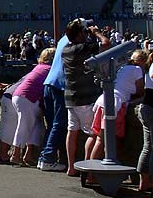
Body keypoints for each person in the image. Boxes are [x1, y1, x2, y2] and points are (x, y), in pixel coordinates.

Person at [61, 19, 109, 177]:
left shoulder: (65, 49)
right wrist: (96, 33)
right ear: (80, 33)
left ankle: (71, 166)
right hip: (85, 97)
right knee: (93, 134)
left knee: (72, 131)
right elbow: (106, 43)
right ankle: (88, 171)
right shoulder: (83, 48)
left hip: (70, 97)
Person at [87, 49, 145, 161]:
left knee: (95, 136)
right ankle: (92, 174)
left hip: (102, 100)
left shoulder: (121, 68)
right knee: (102, 140)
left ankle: (86, 169)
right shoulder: (137, 69)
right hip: (115, 104)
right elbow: (140, 89)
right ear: (142, 61)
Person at [10, 47, 54, 166]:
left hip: (20, 95)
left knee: (37, 126)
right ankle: (16, 154)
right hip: (28, 98)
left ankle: (28, 155)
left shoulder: (39, 67)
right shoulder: (50, 69)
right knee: (25, 125)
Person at [36, 33, 70, 172]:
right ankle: (48, 158)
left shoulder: (63, 40)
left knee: (51, 124)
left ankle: (43, 156)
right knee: (60, 123)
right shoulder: (75, 42)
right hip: (60, 86)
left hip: (49, 84)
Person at [138, 48, 153, 193]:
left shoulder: (149, 65)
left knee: (148, 146)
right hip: (151, 108)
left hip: (146, 107)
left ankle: (144, 181)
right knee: (149, 147)